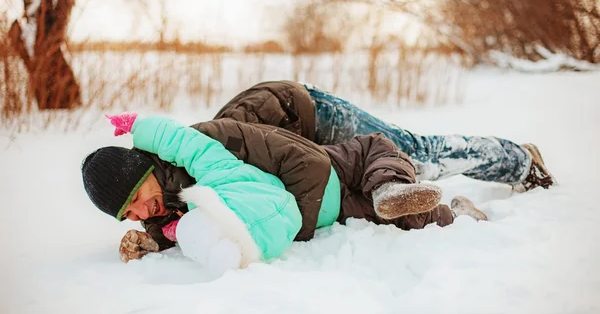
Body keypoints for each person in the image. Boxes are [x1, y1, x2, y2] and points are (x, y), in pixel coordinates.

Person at [82, 112, 487, 270]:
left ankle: (390, 189)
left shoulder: (203, 147)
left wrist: (303, 210)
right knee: (412, 218)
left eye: (135, 197)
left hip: (328, 169)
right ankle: (455, 213)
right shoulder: (164, 209)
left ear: (144, 171)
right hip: (331, 203)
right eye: (127, 215)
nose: (140, 212)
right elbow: (181, 229)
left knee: (375, 149)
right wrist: (152, 242)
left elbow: (280, 149)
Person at [213, 81, 556, 191]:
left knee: (415, 156)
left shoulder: (207, 153)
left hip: (313, 115)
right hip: (300, 129)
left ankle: (520, 160)